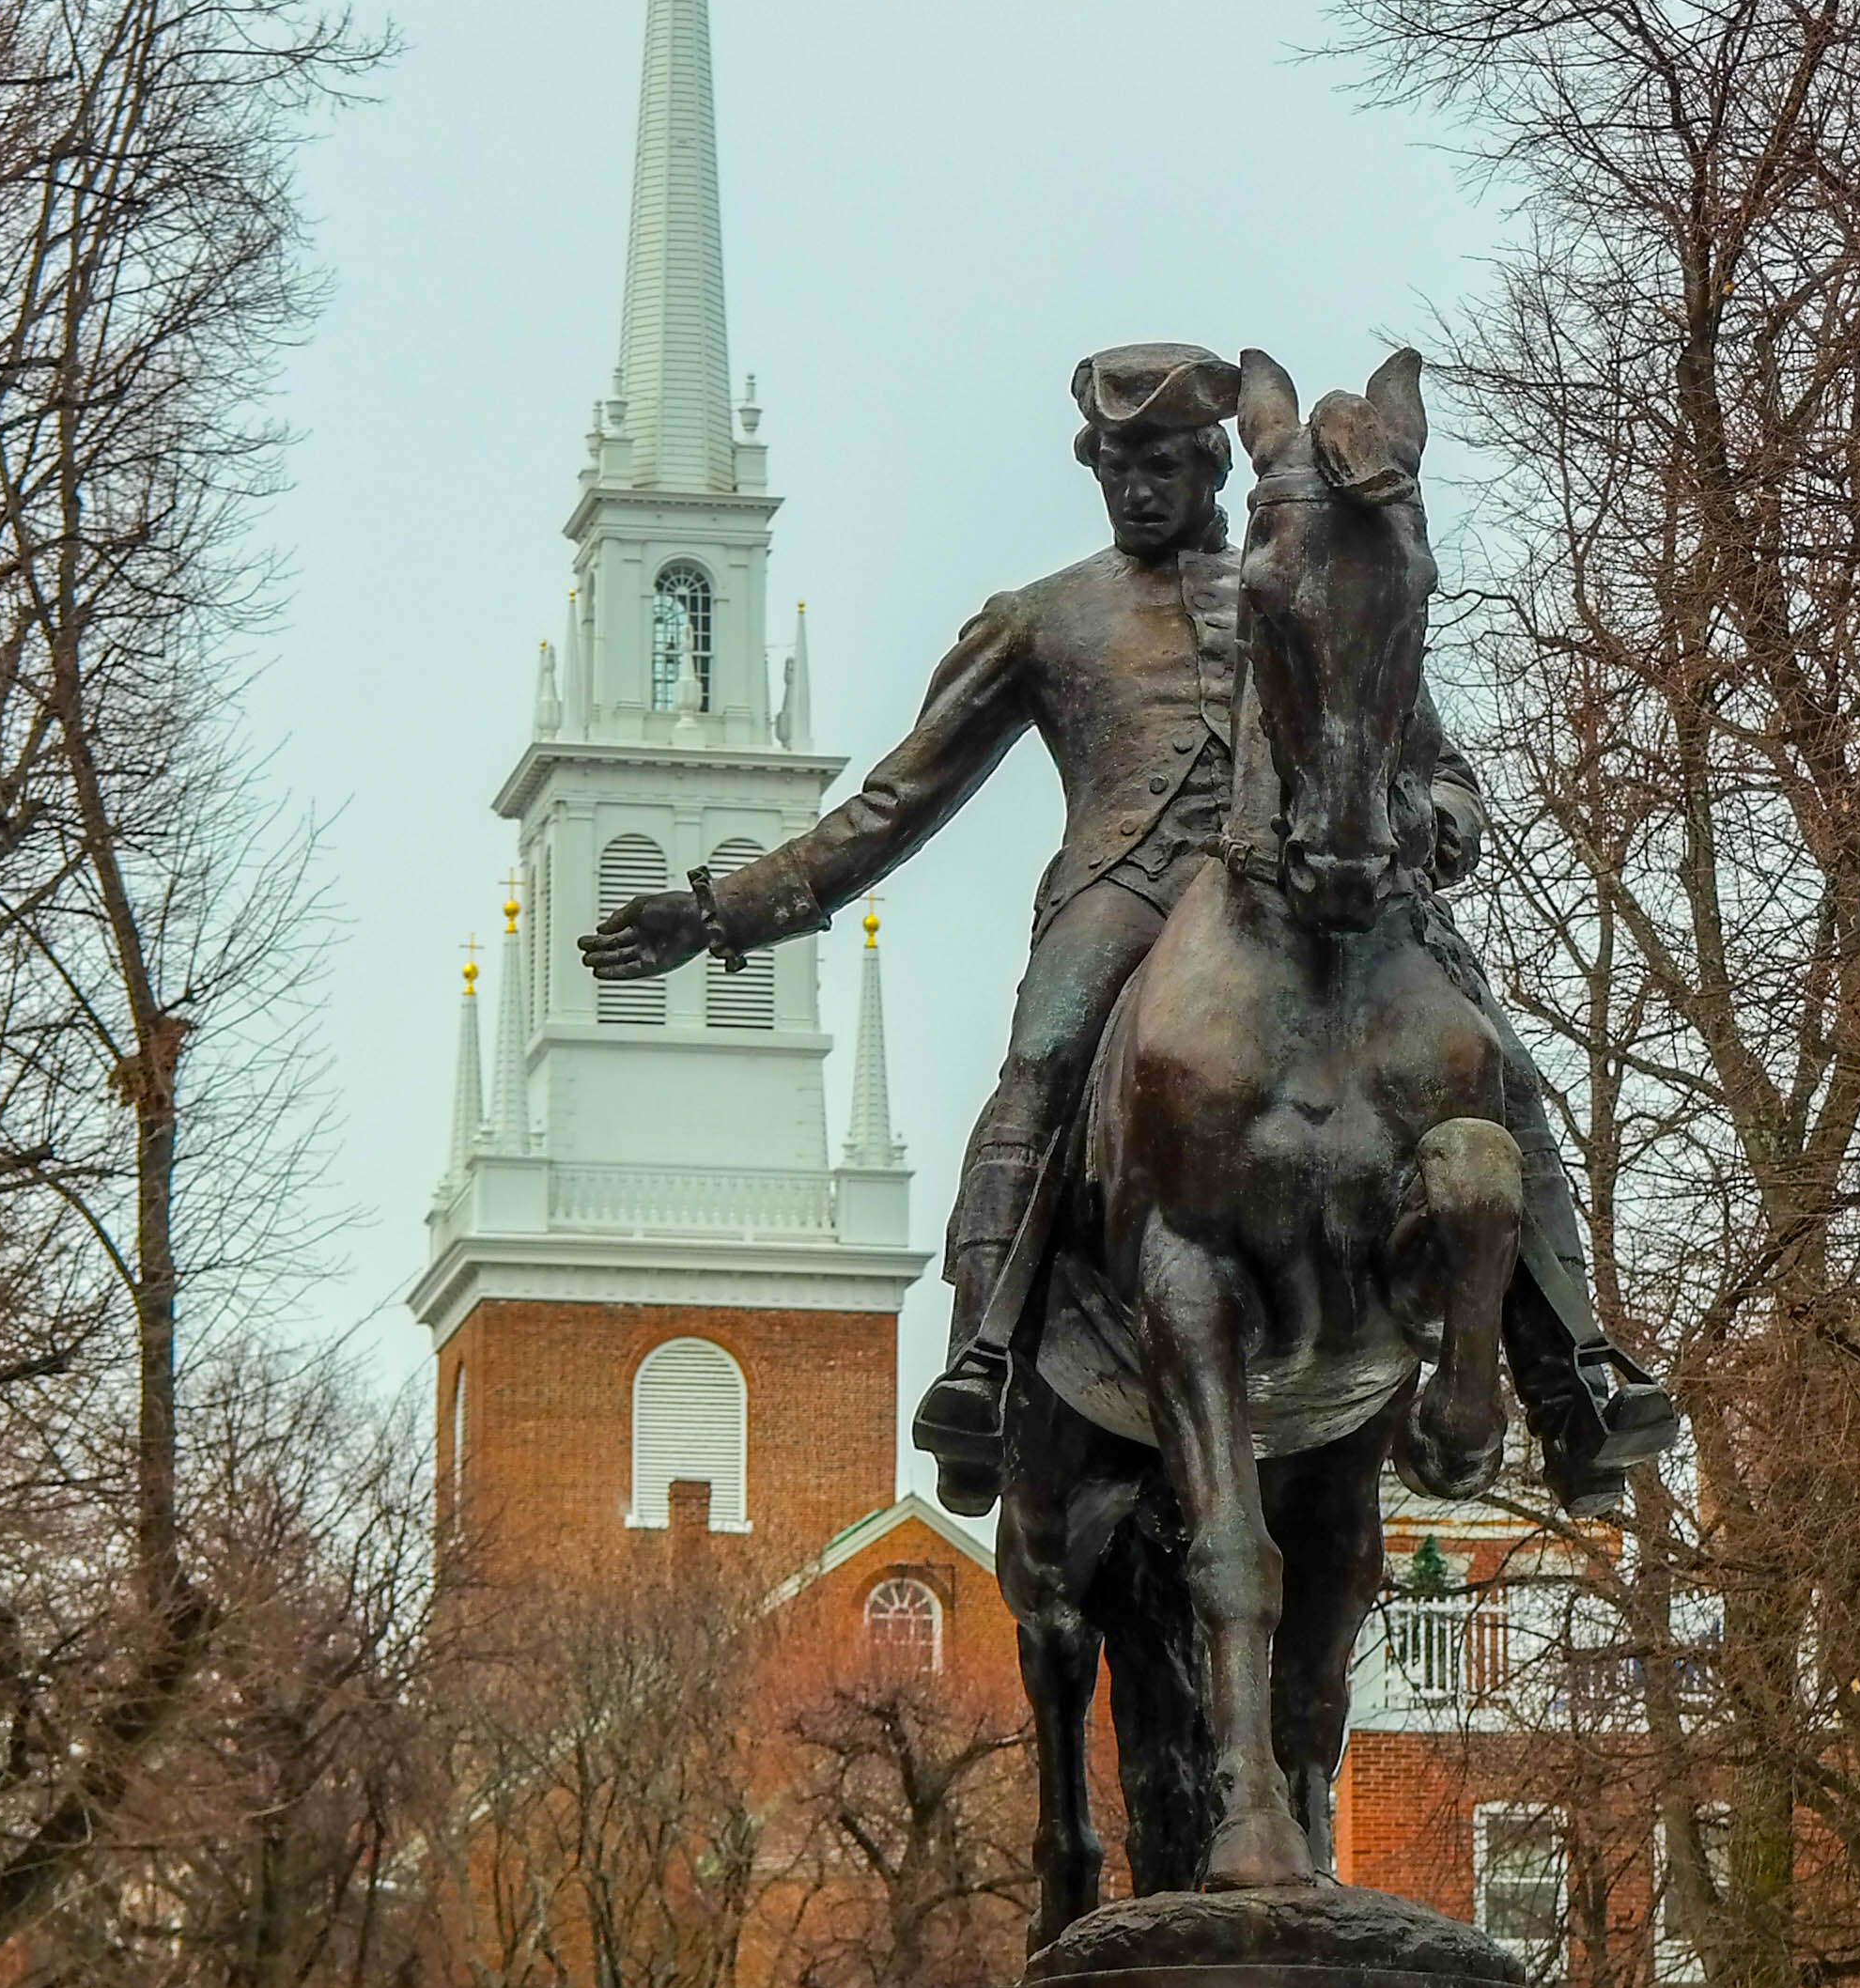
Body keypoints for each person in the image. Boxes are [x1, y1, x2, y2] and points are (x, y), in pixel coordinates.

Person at [583, 340, 1671, 1514]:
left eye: (1162, 462)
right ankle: (984, 1370)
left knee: (1497, 1070)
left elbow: (1426, 746)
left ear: (1214, 465)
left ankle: (1572, 1373)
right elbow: (895, 805)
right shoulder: (1040, 621)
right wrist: (720, 908)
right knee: (1041, 1069)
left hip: (1319, 895)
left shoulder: (1296, 570)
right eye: (1115, 464)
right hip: (1125, 892)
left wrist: (1443, 820)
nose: (1137, 486)